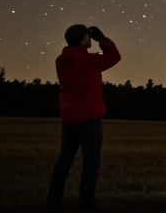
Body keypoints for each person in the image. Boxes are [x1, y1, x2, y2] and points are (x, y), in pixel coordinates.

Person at [47, 24, 121, 209]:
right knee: (91, 162)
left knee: (64, 160)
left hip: (70, 117)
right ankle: (86, 200)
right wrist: (102, 39)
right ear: (82, 40)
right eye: (87, 37)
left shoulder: (61, 60)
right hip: (89, 118)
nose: (90, 40)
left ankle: (53, 198)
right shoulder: (88, 60)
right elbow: (115, 57)